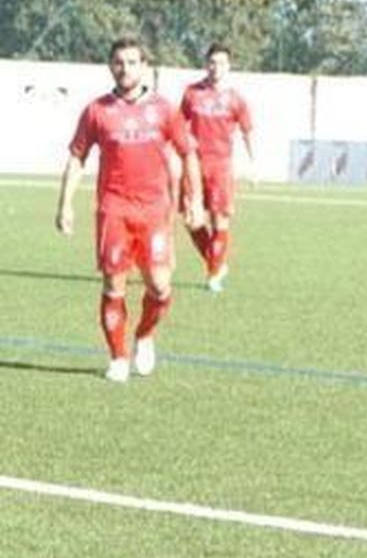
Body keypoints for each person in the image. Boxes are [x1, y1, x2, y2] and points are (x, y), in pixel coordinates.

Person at [56, 37, 201, 382]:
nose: (125, 68)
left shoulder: (164, 109)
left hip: (154, 211)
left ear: (144, 67)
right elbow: (77, 157)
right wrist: (65, 205)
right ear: (110, 66)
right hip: (114, 210)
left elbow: (188, 152)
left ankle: (145, 335)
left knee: (161, 287)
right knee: (114, 285)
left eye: (132, 62)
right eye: (119, 62)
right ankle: (118, 357)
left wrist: (193, 200)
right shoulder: (96, 110)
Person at [179, 41, 255, 292]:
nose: (216, 68)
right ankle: (216, 261)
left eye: (221, 63)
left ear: (229, 66)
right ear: (206, 64)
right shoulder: (192, 93)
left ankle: (213, 275)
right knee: (192, 219)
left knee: (219, 220)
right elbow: (178, 126)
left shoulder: (236, 99)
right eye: (212, 62)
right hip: (194, 166)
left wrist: (254, 164)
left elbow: (247, 132)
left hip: (221, 166)